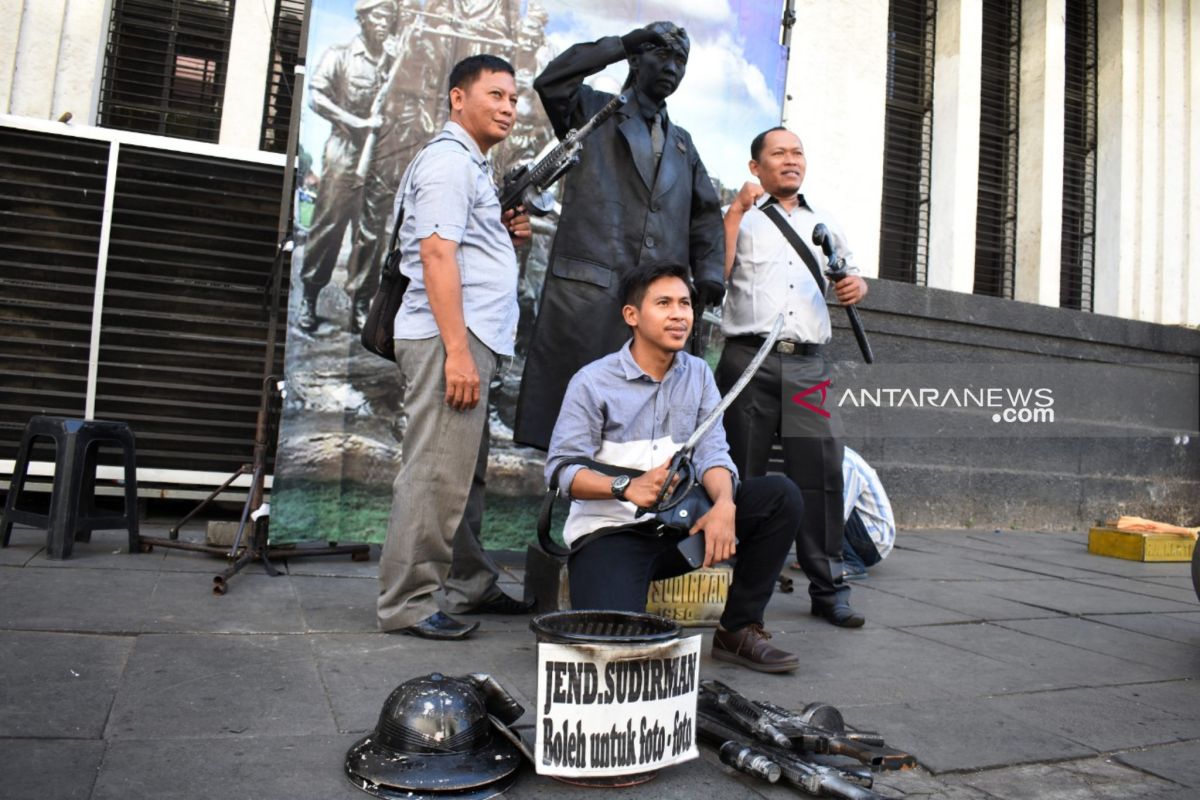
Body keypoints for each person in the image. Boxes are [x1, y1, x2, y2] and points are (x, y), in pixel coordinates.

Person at [546, 263, 802, 674]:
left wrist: (724, 505)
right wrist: (624, 488)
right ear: (632, 316)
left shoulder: (698, 374)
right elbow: (560, 471)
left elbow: (713, 452)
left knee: (780, 495)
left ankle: (737, 630)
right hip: (611, 536)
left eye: (685, 303)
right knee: (617, 654)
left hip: (683, 528)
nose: (679, 314)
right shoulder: (592, 382)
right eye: (663, 303)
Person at [377, 54, 533, 640]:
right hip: (452, 340)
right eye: (495, 94)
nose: (508, 108)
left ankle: (467, 585)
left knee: (462, 475)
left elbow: (469, 256)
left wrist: (508, 238)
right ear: (457, 99)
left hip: (467, 336)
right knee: (435, 475)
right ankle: (409, 604)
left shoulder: (473, 167)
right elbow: (437, 256)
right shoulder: (448, 163)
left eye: (513, 99)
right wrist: (459, 352)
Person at [514, 22, 726, 451]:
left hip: (651, 312)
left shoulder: (683, 146)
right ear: (635, 58)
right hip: (589, 301)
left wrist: (709, 277)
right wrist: (620, 44)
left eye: (680, 60)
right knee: (574, 433)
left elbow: (705, 217)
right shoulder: (592, 111)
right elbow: (552, 80)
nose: (671, 67)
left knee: (638, 440)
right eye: (661, 54)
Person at [718, 126, 869, 628]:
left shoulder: (823, 220)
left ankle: (829, 588)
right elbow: (714, 275)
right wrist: (736, 211)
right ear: (755, 167)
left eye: (798, 152)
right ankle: (731, 584)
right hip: (748, 359)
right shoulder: (738, 217)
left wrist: (854, 285)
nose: (791, 160)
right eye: (779, 153)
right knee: (740, 472)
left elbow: (846, 273)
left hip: (808, 363)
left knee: (821, 473)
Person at [298, 0, 396, 334]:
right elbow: (316, 96)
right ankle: (310, 298)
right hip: (343, 150)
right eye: (378, 16)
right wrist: (357, 121)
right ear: (364, 19)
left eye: (388, 17)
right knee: (330, 225)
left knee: (371, 234)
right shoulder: (340, 55)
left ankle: (360, 304)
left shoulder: (394, 63)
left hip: (380, 158)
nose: (384, 22)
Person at [840, 447, 896, 579]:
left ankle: (852, 563)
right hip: (862, 533)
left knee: (825, 507)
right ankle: (820, 558)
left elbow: (838, 514)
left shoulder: (845, 463)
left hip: (873, 543)